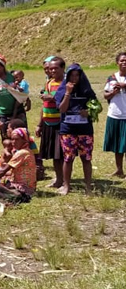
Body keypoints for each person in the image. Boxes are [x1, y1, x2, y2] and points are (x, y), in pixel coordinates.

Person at [57, 64, 97, 195]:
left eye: (77, 75)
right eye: (71, 75)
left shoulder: (87, 90)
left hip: (85, 130)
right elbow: (62, 109)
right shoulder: (62, 90)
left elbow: (96, 107)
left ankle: (88, 187)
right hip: (68, 129)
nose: (74, 78)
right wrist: (68, 93)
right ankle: (66, 186)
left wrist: (89, 112)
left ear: (81, 76)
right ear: (67, 77)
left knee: (86, 159)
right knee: (68, 158)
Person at [36, 56, 66, 187]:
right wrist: (40, 124)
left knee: (62, 154)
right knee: (54, 154)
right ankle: (59, 179)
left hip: (61, 122)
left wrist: (52, 98)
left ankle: (65, 180)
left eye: (55, 68)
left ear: (63, 68)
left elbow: (67, 101)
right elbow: (44, 105)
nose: (52, 71)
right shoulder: (49, 82)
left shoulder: (66, 83)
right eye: (50, 69)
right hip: (48, 122)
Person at [0, 53, 25, 131]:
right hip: (3, 113)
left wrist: (27, 99)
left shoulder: (12, 77)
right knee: (6, 134)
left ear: (3, 67)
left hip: (18, 110)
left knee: (21, 133)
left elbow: (22, 89)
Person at [104, 52, 126, 178]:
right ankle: (119, 169)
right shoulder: (112, 78)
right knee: (118, 144)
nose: (124, 62)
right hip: (115, 115)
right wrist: (113, 92)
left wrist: (124, 86)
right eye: (122, 60)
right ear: (117, 63)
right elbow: (105, 95)